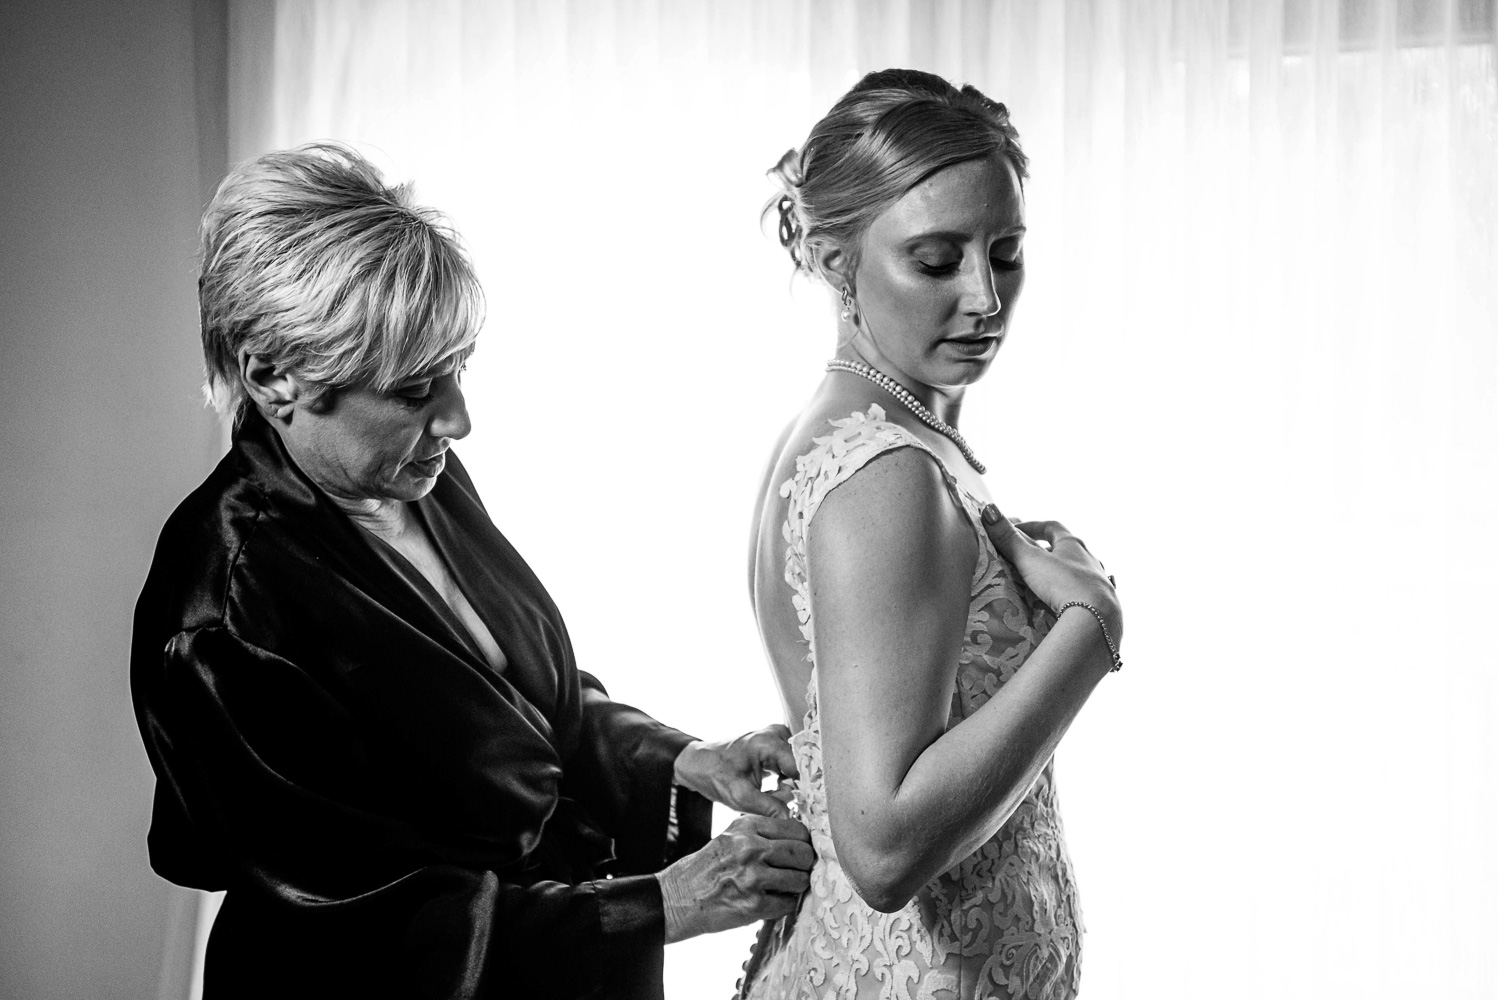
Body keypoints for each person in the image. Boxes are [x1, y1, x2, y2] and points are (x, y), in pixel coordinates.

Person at [131, 143, 814, 1000]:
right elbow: (370, 924)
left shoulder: (419, 477)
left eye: (456, 370)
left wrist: (681, 761)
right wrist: (659, 906)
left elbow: (521, 708)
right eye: (416, 390)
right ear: (275, 378)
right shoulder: (224, 615)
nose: (459, 418)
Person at [738, 70, 1124, 1000]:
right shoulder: (885, 474)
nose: (986, 297)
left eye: (1007, 250)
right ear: (836, 262)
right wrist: (1091, 632)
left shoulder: (884, 434)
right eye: (938, 260)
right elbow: (885, 847)